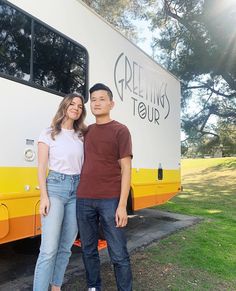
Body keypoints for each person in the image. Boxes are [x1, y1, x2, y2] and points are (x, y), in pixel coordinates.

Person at [77, 83, 133, 291]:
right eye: (93, 99)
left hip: (110, 200)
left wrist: (122, 205)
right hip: (83, 199)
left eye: (102, 99)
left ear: (111, 103)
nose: (97, 103)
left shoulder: (120, 130)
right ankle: (93, 287)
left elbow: (126, 169)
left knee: (118, 253)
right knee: (88, 250)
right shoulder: (86, 131)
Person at [33, 93, 87, 291]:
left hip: (77, 190)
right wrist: (44, 196)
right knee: (48, 250)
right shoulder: (48, 133)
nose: (75, 108)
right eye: (72, 104)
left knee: (66, 247)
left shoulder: (82, 135)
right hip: (55, 187)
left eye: (80, 106)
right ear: (64, 106)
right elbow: (41, 167)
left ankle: (56, 287)